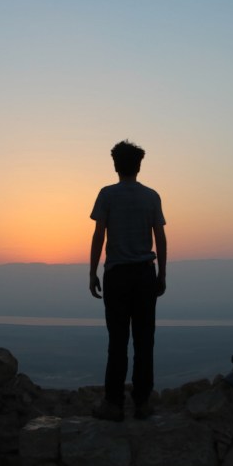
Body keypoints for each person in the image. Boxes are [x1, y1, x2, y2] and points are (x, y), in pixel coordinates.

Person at [89, 140, 167, 421]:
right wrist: (162, 274)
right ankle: (143, 403)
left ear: (115, 165)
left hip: (117, 276)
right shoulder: (151, 196)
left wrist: (92, 272)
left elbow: (99, 235)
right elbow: (160, 238)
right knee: (145, 341)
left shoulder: (107, 195)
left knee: (117, 341)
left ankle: (113, 404)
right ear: (139, 165)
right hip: (145, 274)